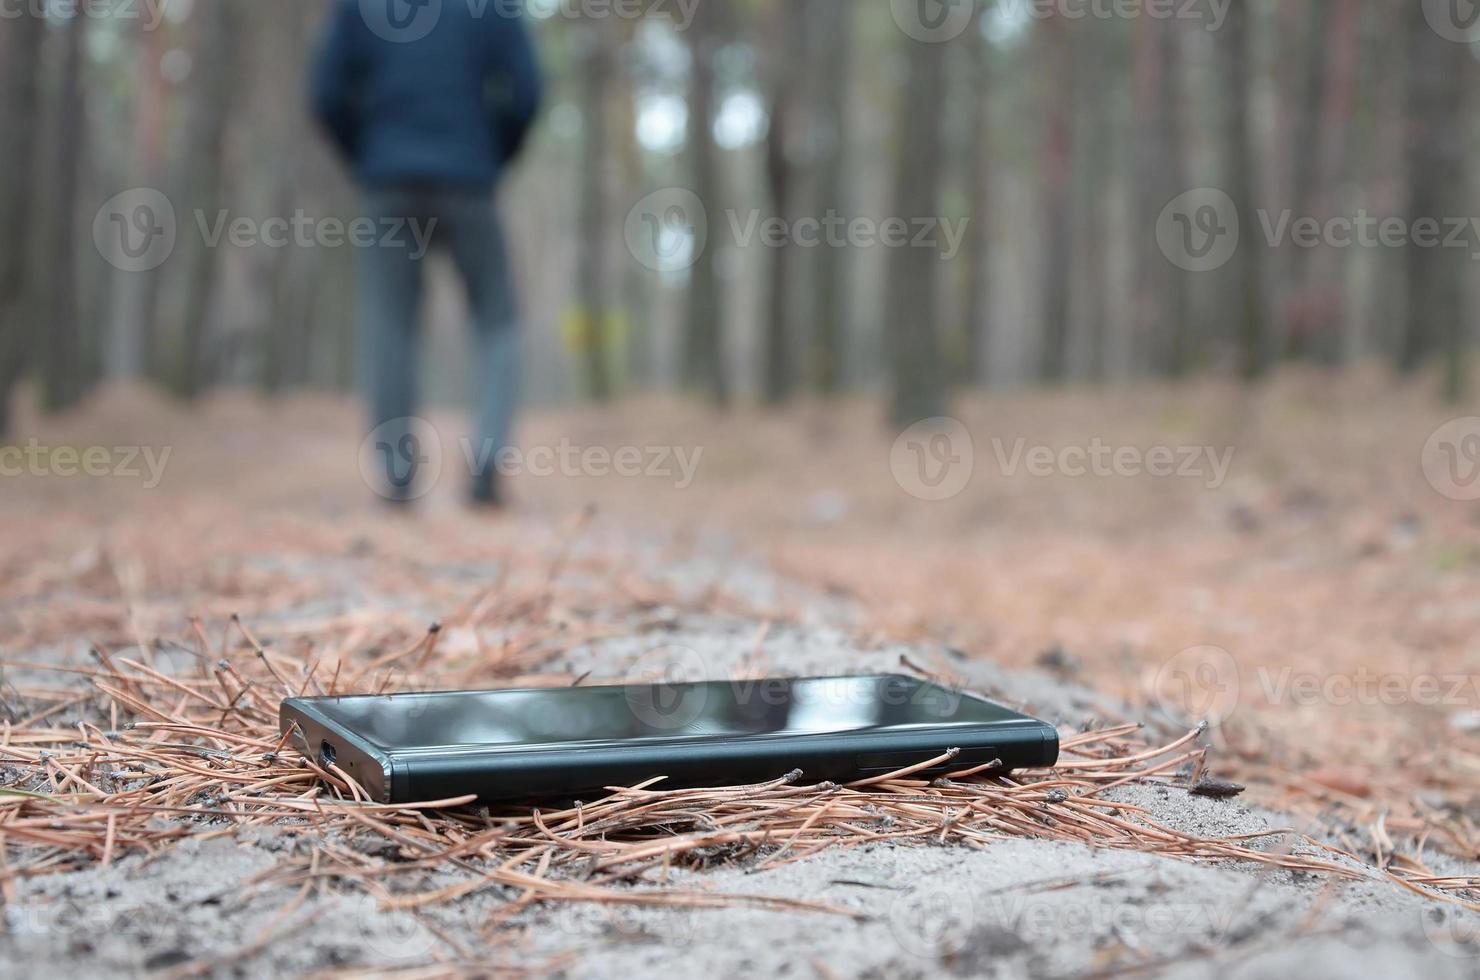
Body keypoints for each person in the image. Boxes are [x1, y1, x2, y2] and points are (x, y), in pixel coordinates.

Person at [310, 0, 542, 507]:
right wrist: (491, 154)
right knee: (498, 320)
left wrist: (368, 154)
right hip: (469, 179)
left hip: (388, 180)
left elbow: (326, 94)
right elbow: (526, 91)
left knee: (389, 323)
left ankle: (395, 474)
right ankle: (486, 459)